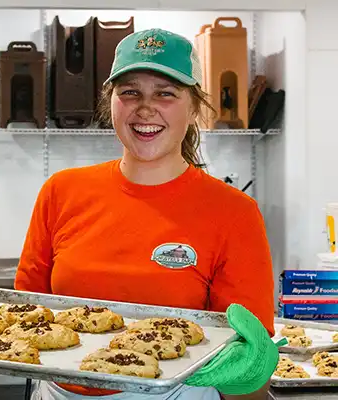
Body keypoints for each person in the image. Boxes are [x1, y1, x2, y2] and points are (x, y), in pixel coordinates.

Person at [15, 28, 281, 400]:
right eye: (130, 92)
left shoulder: (234, 212)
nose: (145, 107)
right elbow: (24, 318)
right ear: (112, 103)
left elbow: (248, 375)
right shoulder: (61, 192)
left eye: (165, 93)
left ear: (193, 109)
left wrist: (246, 375)